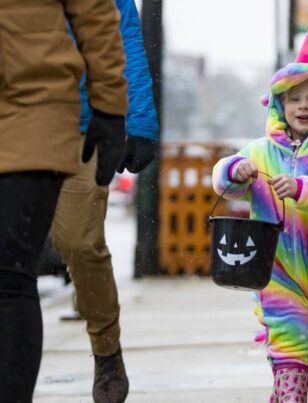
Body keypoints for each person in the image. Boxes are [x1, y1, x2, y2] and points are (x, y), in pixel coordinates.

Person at [211, 10, 308, 402]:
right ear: (279, 105)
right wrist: (234, 170)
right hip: (273, 268)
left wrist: (301, 188)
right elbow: (221, 180)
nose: (304, 106)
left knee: (305, 345)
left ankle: (282, 395)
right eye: (294, 99)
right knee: (289, 339)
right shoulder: (262, 151)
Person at [0, 1, 127, 401]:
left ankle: (106, 350)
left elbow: (104, 18)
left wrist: (116, 110)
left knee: (11, 270)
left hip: (31, 105)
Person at [48, 0, 159, 401]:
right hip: (12, 124)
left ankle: (106, 351)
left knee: (79, 243)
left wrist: (140, 121)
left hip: (81, 129)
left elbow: (125, 39)